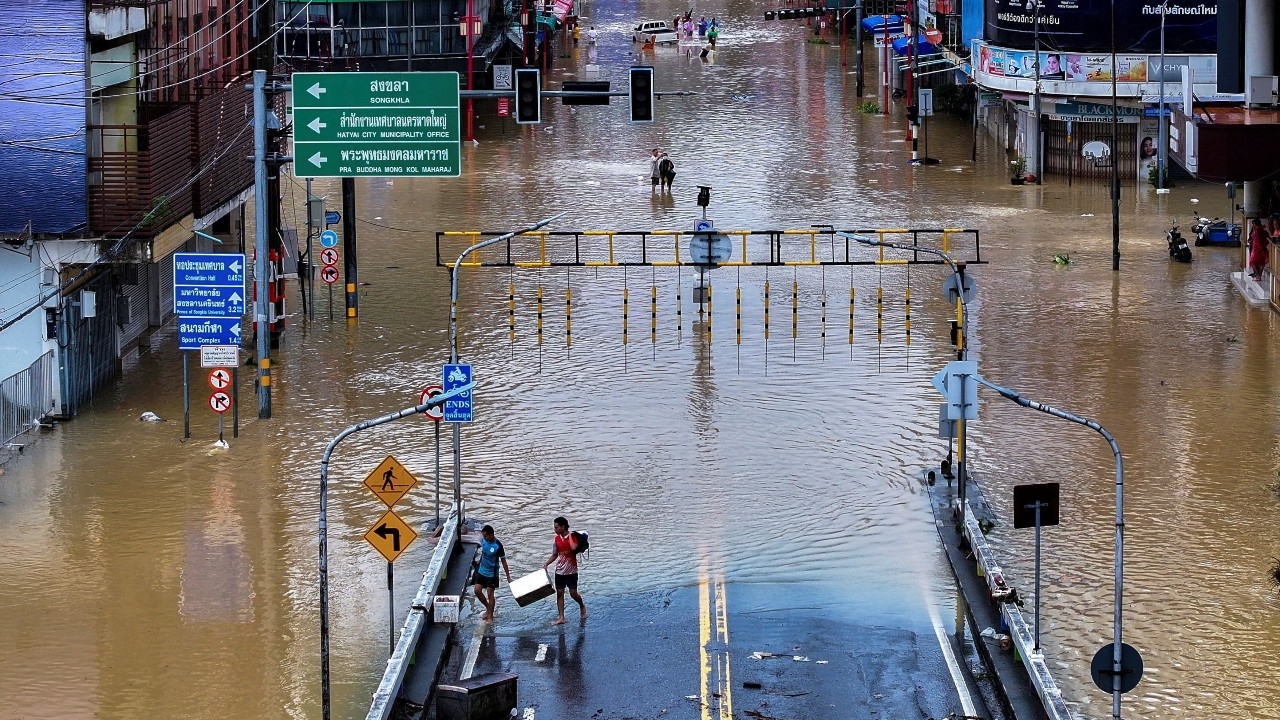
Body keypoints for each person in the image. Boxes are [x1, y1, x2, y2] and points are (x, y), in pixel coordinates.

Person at [543, 516, 586, 624]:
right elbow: (554, 554)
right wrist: (547, 564)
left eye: (557, 527)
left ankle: (581, 605)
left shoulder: (573, 536)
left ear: (563, 527)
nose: (555, 530)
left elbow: (574, 548)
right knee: (559, 593)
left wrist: (570, 536)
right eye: (554, 527)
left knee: (573, 594)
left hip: (571, 570)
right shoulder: (556, 539)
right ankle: (561, 617)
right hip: (559, 571)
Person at [473, 525, 512, 622]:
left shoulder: (498, 546)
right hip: (482, 570)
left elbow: (504, 562)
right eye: (483, 536)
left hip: (492, 574)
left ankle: (490, 615)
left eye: (486, 536)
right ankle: (488, 608)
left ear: (491, 535)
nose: (484, 538)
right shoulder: (484, 541)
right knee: (477, 591)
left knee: (490, 594)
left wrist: (508, 577)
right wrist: (479, 562)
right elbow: (483, 553)